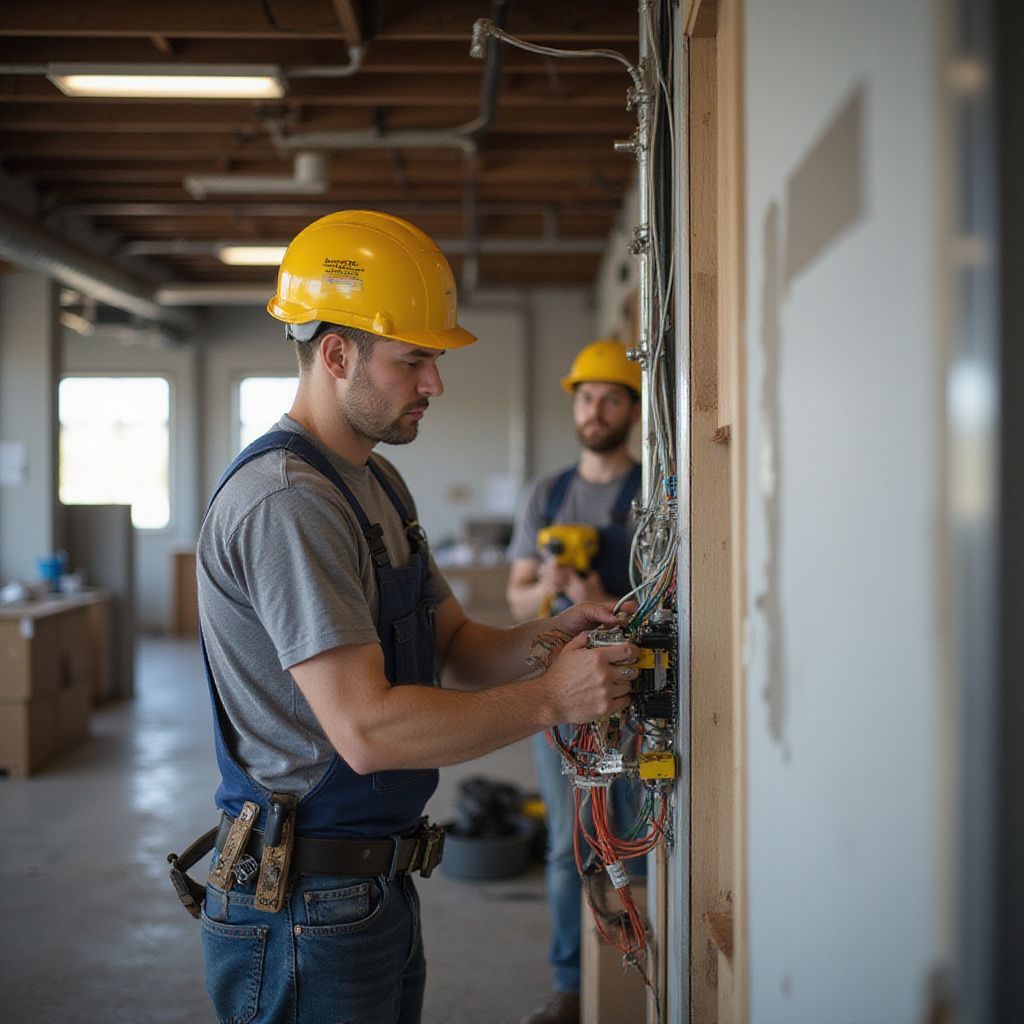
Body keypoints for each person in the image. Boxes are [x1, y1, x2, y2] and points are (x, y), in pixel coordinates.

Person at [188, 211, 641, 1024]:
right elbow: (365, 731)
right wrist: (552, 700)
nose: (434, 383)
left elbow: (459, 648)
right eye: (415, 360)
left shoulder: (378, 484)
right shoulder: (290, 503)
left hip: (371, 888)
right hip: (303, 906)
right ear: (336, 354)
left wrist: (558, 633)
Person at [505, 339, 643, 1024]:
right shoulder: (548, 492)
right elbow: (513, 596)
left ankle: (636, 969)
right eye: (587, 396)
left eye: (611, 396)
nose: (597, 408)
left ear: (632, 409)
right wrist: (547, 584)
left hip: (633, 696)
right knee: (568, 843)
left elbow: (670, 603)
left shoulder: (651, 493)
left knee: (636, 836)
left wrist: (599, 591)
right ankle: (571, 984)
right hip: (557, 691)